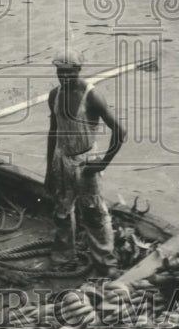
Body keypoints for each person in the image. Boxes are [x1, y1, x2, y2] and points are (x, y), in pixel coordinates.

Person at [45, 50, 127, 274]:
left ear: (78, 71)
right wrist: (49, 170)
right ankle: (64, 258)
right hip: (62, 159)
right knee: (61, 211)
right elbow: (53, 132)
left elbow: (119, 131)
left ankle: (106, 261)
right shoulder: (55, 95)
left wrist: (103, 163)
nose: (64, 78)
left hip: (86, 161)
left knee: (94, 213)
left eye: (68, 73)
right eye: (60, 73)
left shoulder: (91, 96)